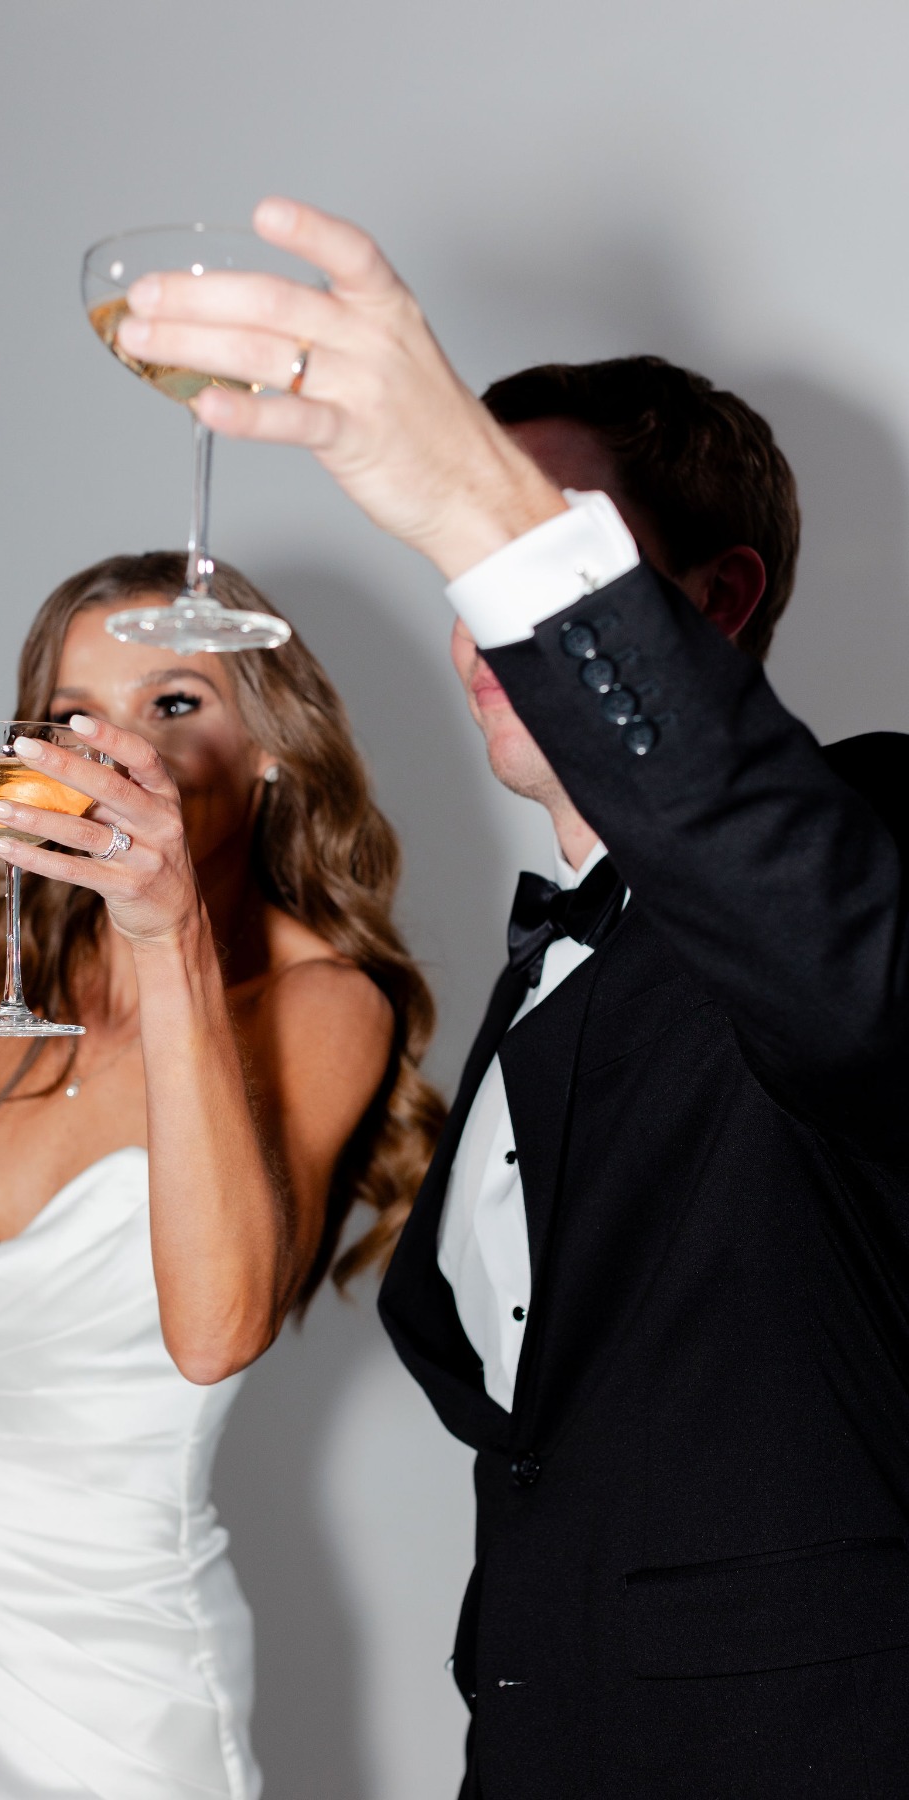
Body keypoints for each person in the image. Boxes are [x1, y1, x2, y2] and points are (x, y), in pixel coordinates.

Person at [117, 203, 909, 1796]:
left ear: (726, 593)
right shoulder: (538, 973)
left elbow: (832, 960)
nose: (479, 611)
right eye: (461, 567)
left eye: (527, 552)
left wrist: (476, 501)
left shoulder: (860, 831)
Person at [0, 551, 444, 1800]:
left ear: (274, 743)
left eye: (174, 703)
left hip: (112, 1674)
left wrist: (164, 936)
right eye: (75, 717)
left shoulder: (327, 1005)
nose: (115, 751)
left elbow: (217, 1337)